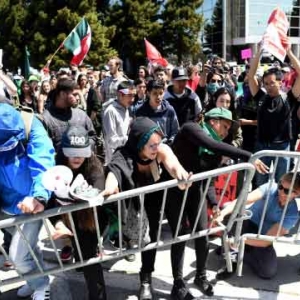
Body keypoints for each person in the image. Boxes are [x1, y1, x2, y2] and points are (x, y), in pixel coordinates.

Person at [163, 107, 268, 298]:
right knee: (179, 235)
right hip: (175, 192)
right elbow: (210, 144)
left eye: (229, 129)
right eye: (225, 126)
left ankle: (200, 276)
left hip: (197, 193)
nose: (226, 132)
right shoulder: (191, 129)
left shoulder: (215, 148)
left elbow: (209, 181)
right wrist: (248, 155)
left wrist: (214, 203)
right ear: (213, 121)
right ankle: (178, 282)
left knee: (203, 234)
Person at [101, 117, 191, 300]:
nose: (156, 148)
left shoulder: (161, 149)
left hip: (169, 193)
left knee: (180, 232)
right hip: (145, 200)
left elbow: (174, 166)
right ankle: (146, 280)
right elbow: (114, 171)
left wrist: (182, 177)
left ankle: (179, 282)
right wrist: (110, 187)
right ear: (139, 144)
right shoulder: (124, 155)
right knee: (150, 238)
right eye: (151, 145)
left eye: (158, 143)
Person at [0, 102, 55, 300]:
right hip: (6, 204)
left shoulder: (32, 125)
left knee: (18, 257)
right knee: (29, 249)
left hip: (30, 204)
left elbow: (43, 164)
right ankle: (34, 282)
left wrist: (39, 196)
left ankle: (41, 285)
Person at [52, 125, 108, 300]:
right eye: (71, 152)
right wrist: (57, 223)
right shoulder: (56, 162)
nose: (76, 157)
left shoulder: (93, 164)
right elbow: (47, 198)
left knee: (90, 256)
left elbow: (99, 185)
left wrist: (89, 193)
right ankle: (80, 257)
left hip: (89, 216)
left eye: (81, 152)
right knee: (79, 246)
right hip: (66, 214)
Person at [216, 172, 300, 279]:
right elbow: (241, 201)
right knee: (229, 209)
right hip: (248, 225)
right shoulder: (270, 187)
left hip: (262, 237)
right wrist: (222, 214)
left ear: (296, 194)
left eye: (287, 191)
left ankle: (237, 251)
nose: (281, 191)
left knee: (268, 272)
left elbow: (265, 241)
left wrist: (238, 240)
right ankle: (231, 257)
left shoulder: (292, 214)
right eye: (280, 186)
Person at [248, 37, 300, 186]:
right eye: (266, 84)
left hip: (282, 147)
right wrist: (258, 52)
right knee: (260, 184)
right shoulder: (260, 97)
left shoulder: (289, 98)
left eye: (272, 83)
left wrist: (289, 51)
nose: (269, 86)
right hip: (262, 147)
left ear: (280, 82)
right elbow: (251, 76)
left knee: (282, 183)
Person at [42, 78, 96, 152]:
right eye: (74, 94)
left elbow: (92, 136)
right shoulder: (46, 119)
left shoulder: (81, 115)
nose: (78, 98)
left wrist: (83, 151)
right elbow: (44, 149)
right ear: (63, 94)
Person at [136, 79, 179, 145]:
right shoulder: (140, 111)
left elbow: (175, 131)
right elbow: (138, 133)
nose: (158, 97)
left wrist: (169, 142)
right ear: (148, 93)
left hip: (166, 146)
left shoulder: (169, 110)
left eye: (161, 93)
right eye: (155, 93)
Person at [102, 81, 136, 165]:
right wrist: (130, 139)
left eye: (133, 96)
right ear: (120, 95)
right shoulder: (110, 112)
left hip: (126, 155)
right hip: (114, 159)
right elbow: (111, 141)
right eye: (129, 96)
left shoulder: (127, 108)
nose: (132, 99)